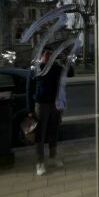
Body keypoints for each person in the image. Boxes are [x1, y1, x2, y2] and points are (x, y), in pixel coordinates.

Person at [33, 47, 73, 176]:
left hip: (55, 105)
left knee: (53, 132)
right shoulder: (37, 69)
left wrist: (65, 59)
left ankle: (52, 157)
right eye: (47, 54)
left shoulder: (56, 68)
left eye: (51, 54)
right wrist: (29, 110)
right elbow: (29, 89)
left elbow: (70, 72)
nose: (49, 57)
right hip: (41, 105)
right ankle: (40, 163)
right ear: (41, 56)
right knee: (40, 134)